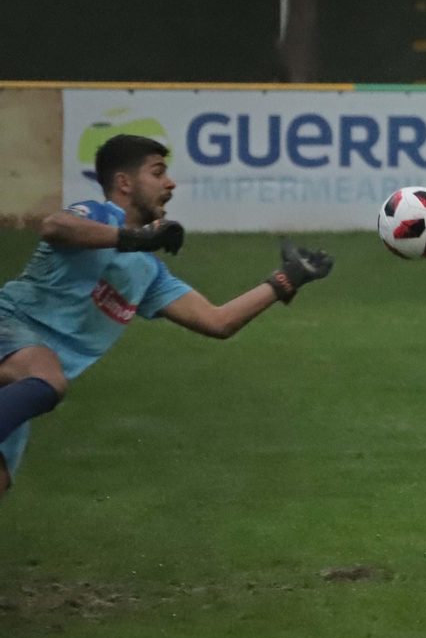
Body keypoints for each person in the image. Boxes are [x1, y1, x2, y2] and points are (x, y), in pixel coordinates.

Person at [0, 135, 333, 496]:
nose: (171, 183)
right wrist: (135, 238)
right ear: (124, 183)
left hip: (21, 390)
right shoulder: (96, 215)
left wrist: (286, 280)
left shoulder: (148, 272)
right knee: (48, 378)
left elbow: (218, 321)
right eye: (158, 173)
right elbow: (54, 227)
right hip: (11, 329)